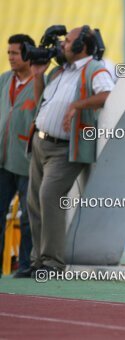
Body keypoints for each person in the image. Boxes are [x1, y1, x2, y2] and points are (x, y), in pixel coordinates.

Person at [23, 26, 114, 276]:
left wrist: (78, 105)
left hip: (66, 147)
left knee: (49, 197)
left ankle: (52, 262)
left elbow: (107, 94)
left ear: (81, 46)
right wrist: (39, 76)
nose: (62, 44)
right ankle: (38, 260)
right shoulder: (59, 71)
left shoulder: (95, 68)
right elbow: (43, 101)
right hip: (41, 143)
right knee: (34, 203)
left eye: (69, 41)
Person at [0, 34, 37, 279]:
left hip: (27, 161)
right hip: (2, 162)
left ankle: (25, 265)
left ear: (27, 54)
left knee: (28, 218)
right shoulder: (4, 80)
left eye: (14, 53)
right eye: (9, 53)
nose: (10, 57)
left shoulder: (41, 82)